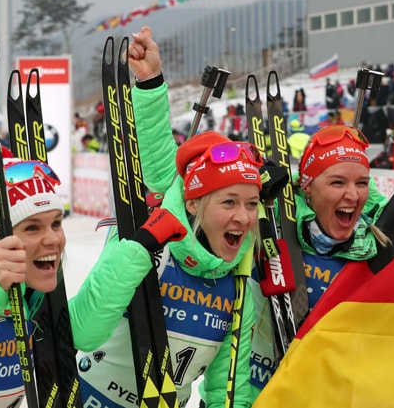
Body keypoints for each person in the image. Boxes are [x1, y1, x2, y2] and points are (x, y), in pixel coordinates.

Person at [75, 26, 262, 408]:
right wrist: (138, 248)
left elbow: (230, 385)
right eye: (228, 203)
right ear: (193, 204)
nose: (243, 217)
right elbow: (83, 329)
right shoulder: (149, 236)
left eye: (252, 203)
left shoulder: (239, 277)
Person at [0, 146, 186, 407]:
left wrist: (139, 248)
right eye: (32, 227)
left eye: (56, 223)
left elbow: (79, 331)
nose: (53, 239)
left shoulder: (28, 294)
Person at [250, 124, 391, 394]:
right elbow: (187, 194)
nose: (352, 194)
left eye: (361, 183)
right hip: (253, 395)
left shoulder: (378, 247)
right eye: (337, 182)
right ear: (307, 189)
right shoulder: (264, 221)